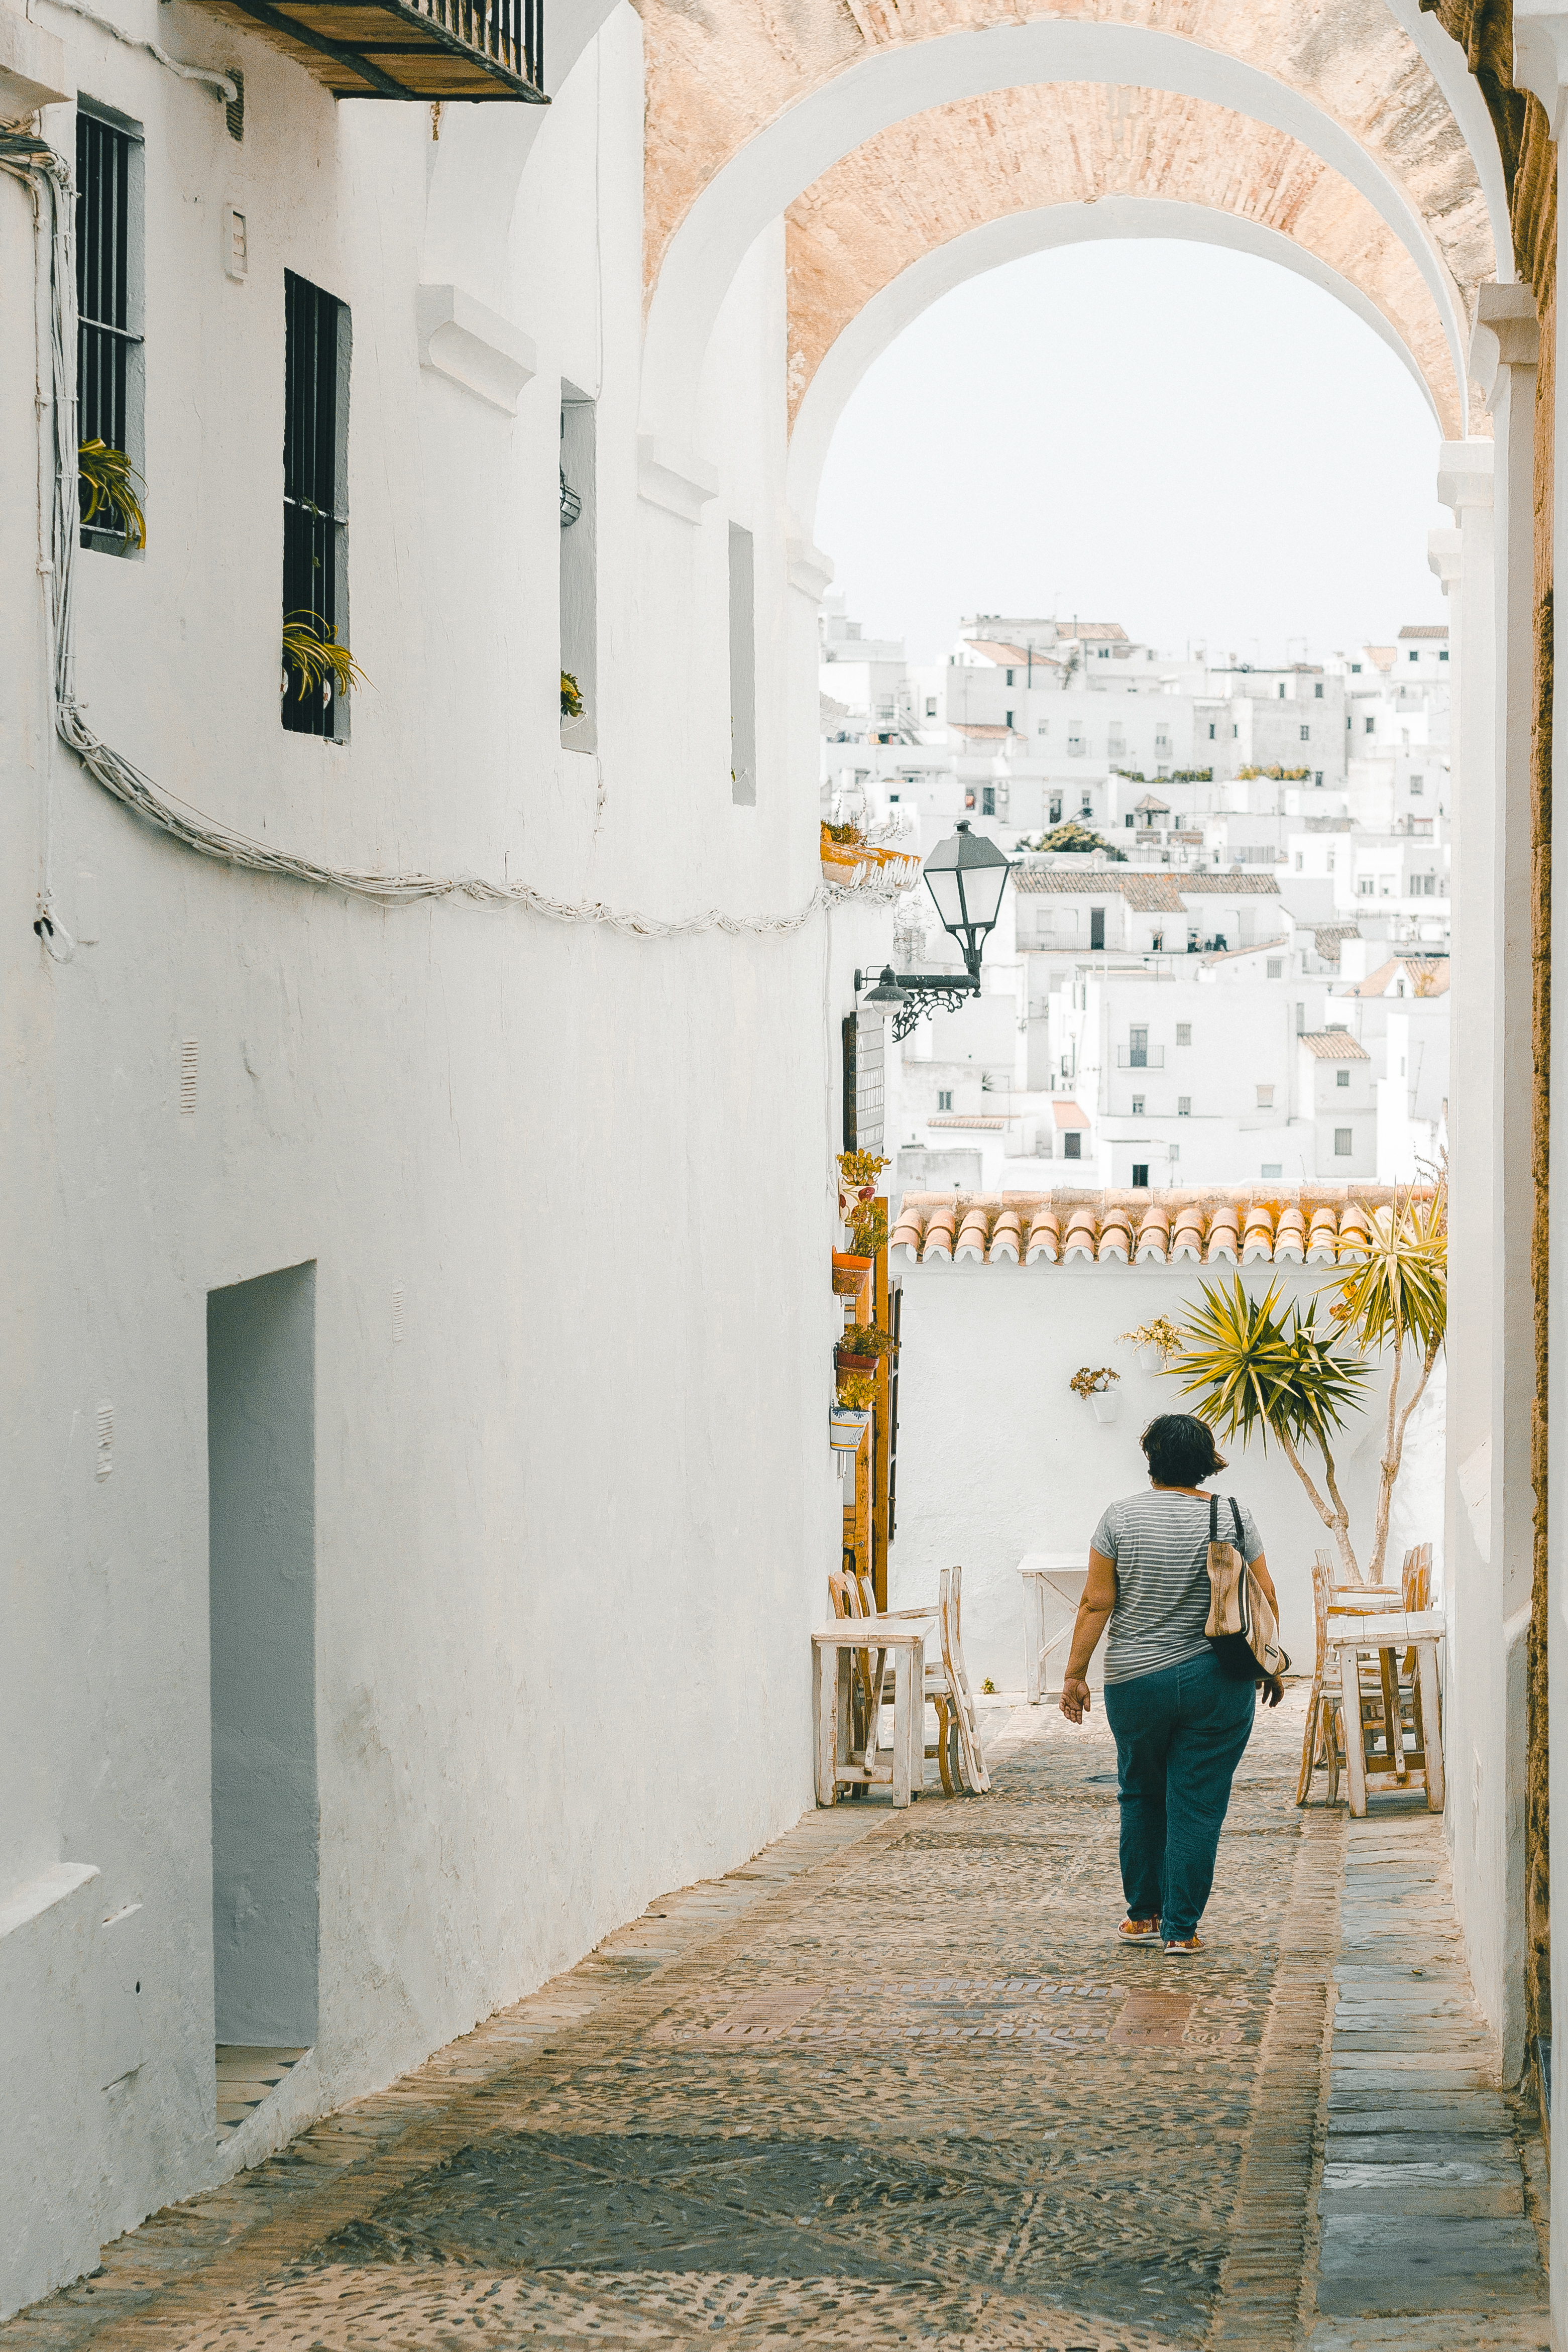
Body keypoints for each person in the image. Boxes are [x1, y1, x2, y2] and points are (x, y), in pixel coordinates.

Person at [1058, 1412, 1284, 1957]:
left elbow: (1095, 1601)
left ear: (1151, 1459)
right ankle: (1180, 1929)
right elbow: (1264, 1597)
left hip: (1134, 1682)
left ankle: (1142, 1916)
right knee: (1197, 1804)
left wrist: (1074, 1675)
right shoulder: (1232, 1515)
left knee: (1139, 1793)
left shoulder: (1119, 1517)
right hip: (1217, 1679)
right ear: (1207, 1461)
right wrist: (1270, 1666)